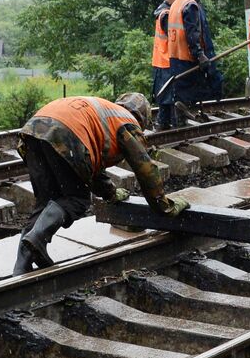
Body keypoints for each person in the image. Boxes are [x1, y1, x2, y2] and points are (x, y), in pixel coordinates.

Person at [14, 94, 188, 274]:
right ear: (143, 117)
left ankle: (20, 268)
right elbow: (145, 169)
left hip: (33, 130)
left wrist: (110, 193)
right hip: (64, 131)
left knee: (45, 201)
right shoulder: (126, 121)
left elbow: (92, 168)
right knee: (77, 199)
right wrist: (164, 207)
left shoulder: (105, 114)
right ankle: (36, 238)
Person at [167, 0, 222, 125]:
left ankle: (182, 124)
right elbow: (193, 33)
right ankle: (186, 115)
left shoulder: (177, 3)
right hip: (188, 56)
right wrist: (200, 55)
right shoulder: (190, 5)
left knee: (181, 92)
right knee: (195, 89)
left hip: (175, 56)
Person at [151, 0, 180, 128]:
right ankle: (169, 122)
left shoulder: (163, 12)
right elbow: (174, 36)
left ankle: (164, 122)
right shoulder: (166, 14)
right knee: (170, 93)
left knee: (165, 92)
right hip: (167, 59)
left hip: (161, 58)